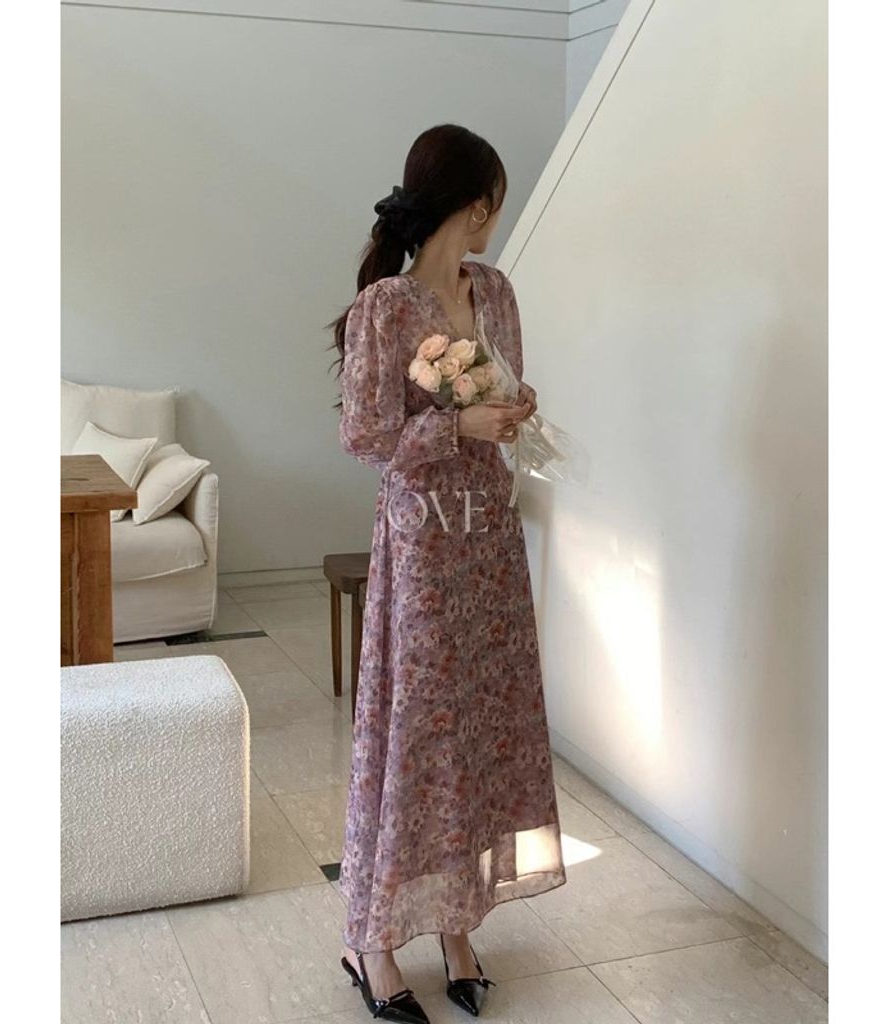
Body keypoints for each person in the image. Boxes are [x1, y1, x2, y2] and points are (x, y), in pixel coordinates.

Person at [327, 123, 568, 1023]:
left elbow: (507, 387)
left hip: (487, 535)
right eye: (494, 203)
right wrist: (453, 426)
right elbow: (364, 436)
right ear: (473, 206)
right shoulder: (385, 307)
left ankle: (457, 925)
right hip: (424, 539)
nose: (494, 219)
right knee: (417, 735)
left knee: (480, 725)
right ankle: (374, 939)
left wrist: (512, 409)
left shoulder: (494, 290)